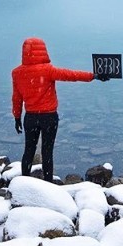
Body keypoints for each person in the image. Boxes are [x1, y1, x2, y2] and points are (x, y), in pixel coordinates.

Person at [11, 37, 108, 182]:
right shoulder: (48, 70)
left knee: (29, 151)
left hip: (30, 118)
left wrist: (17, 117)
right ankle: (48, 183)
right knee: (47, 152)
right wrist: (94, 76)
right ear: (43, 50)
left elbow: (16, 98)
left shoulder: (17, 73)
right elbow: (71, 75)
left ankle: (24, 182)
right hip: (49, 118)